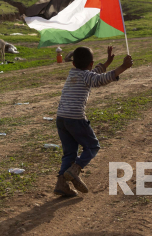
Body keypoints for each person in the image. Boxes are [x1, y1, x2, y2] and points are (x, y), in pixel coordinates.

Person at [55, 45, 134, 197]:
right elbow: (99, 79)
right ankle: (75, 170)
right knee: (92, 146)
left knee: (69, 152)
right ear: (91, 63)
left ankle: (61, 183)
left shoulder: (73, 73)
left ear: (73, 63)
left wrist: (107, 63)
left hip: (61, 118)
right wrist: (123, 67)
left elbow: (93, 73)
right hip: (75, 118)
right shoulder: (87, 76)